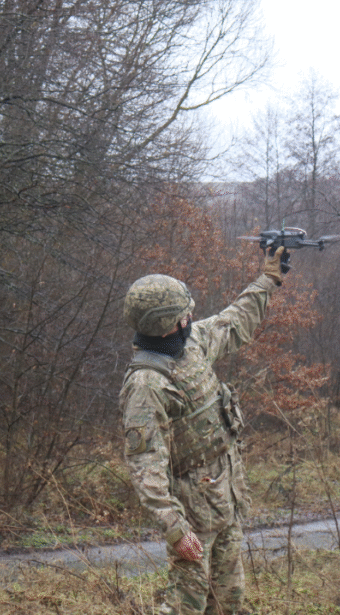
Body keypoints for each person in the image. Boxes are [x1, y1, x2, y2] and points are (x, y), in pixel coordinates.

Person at [119, 247, 287, 615]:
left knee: (228, 600)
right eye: (183, 315)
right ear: (165, 324)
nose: (190, 318)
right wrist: (175, 529)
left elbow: (233, 321)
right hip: (192, 511)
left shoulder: (190, 344)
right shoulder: (147, 384)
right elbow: (145, 466)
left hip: (224, 493)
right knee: (187, 604)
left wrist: (268, 280)